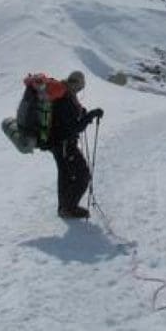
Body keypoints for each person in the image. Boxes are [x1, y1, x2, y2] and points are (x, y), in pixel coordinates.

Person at [49, 70, 103, 219]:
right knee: (83, 175)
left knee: (65, 175)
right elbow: (73, 128)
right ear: (77, 84)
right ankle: (69, 208)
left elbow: (68, 121)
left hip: (58, 144)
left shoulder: (64, 95)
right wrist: (89, 116)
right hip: (64, 144)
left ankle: (63, 208)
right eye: (80, 88)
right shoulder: (64, 98)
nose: (79, 91)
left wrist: (83, 113)